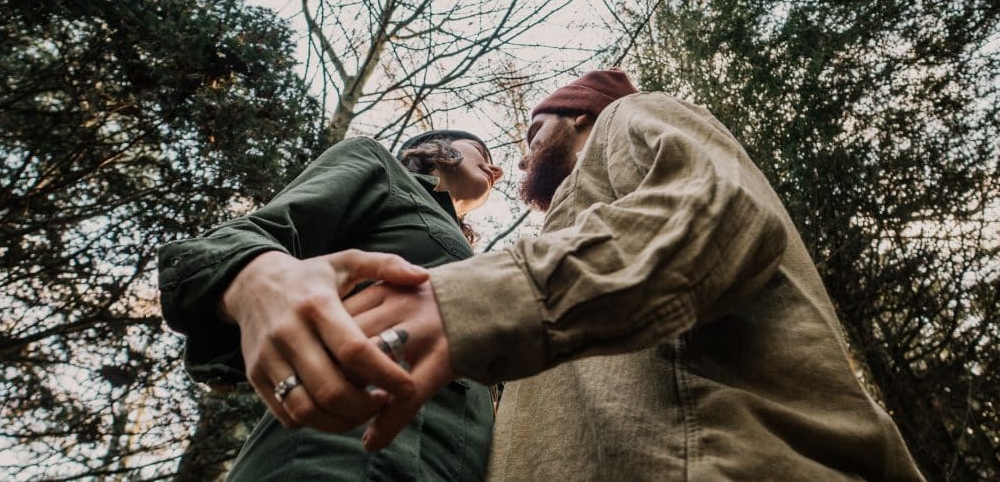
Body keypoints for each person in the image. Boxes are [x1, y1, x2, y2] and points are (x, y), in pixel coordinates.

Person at [345, 69, 926, 480]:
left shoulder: (627, 117)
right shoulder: (569, 228)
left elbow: (717, 210)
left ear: (578, 114)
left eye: (531, 133)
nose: (519, 161)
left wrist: (467, 307)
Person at [157, 130, 503, 480]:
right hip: (333, 459)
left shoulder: (479, 265)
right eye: (479, 149)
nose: (495, 168)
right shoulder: (381, 169)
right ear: (437, 148)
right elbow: (240, 238)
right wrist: (256, 278)